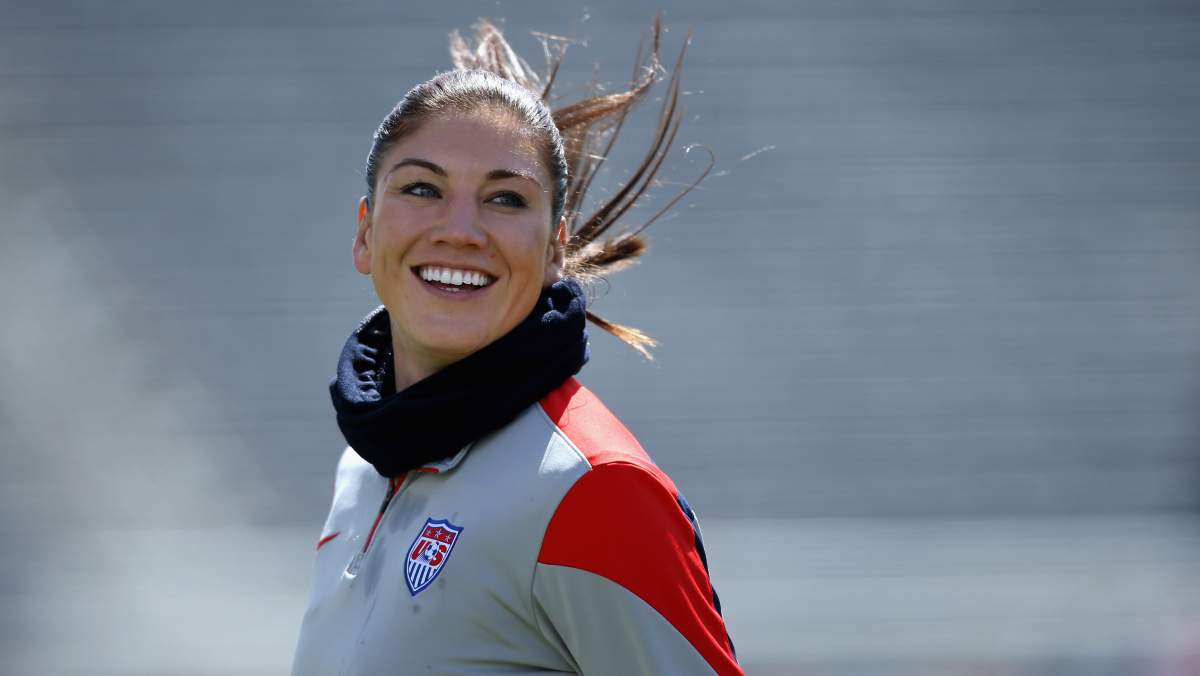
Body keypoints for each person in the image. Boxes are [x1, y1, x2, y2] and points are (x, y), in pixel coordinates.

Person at [291, 16, 741, 676]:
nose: (460, 230)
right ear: (365, 234)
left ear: (555, 248)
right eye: (422, 189)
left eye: (505, 199)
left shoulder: (595, 488)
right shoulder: (363, 467)